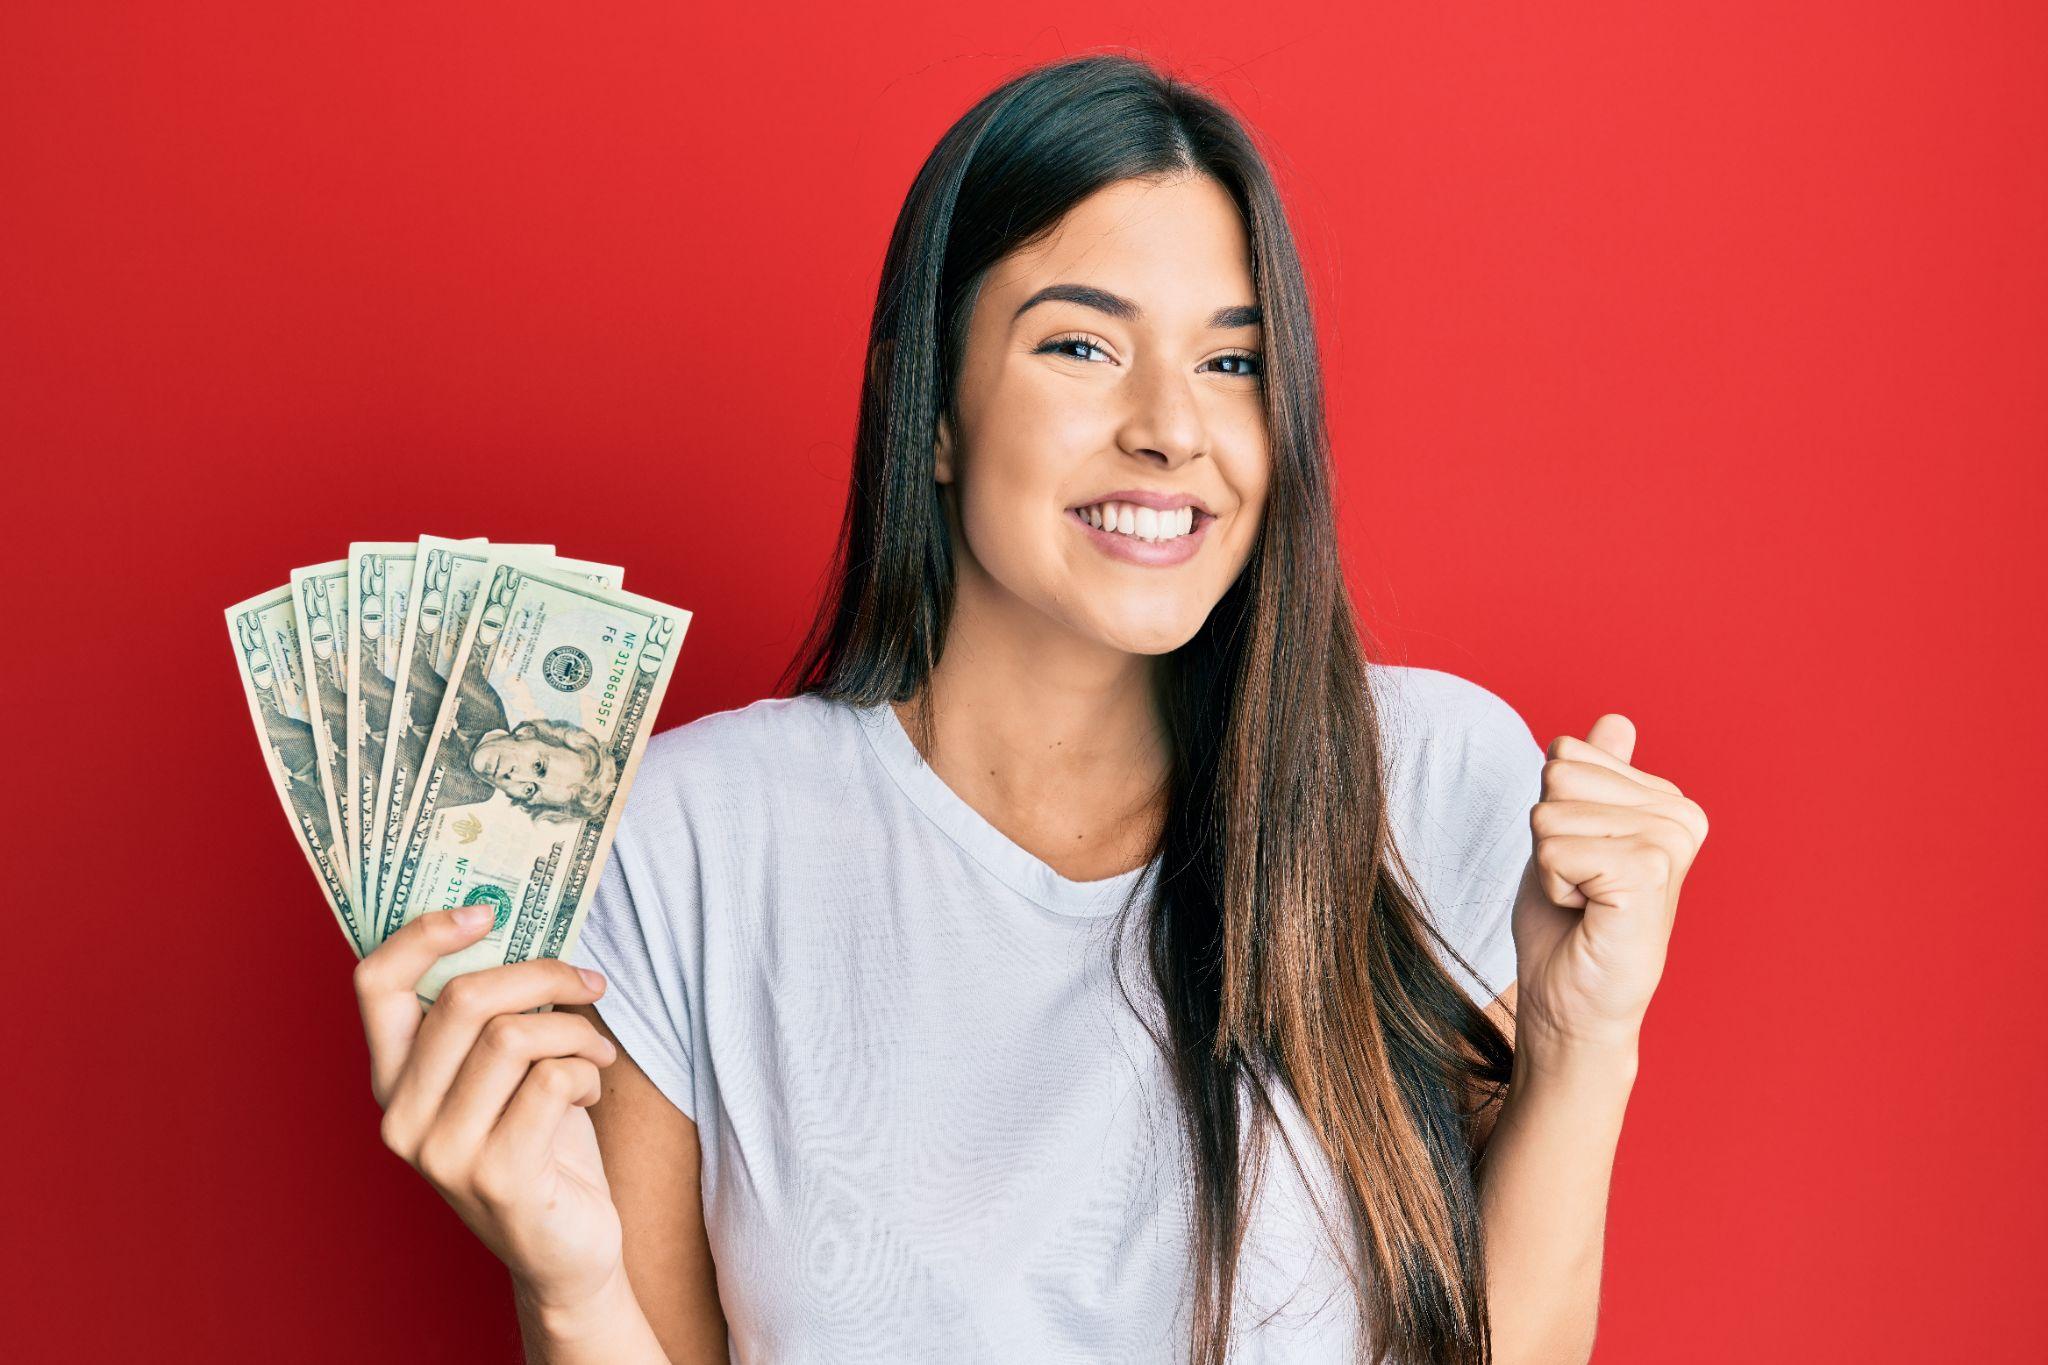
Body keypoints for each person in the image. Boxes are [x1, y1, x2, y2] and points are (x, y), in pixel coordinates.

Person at [352, 50, 1708, 1365]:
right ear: (928, 408)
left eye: (1233, 364)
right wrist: (573, 1285)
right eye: (1082, 345)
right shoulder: (689, 838)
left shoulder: (1435, 777)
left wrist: (1587, 1044)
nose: (1172, 427)